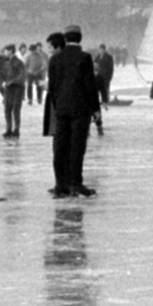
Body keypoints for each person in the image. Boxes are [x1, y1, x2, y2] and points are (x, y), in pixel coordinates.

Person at [43, 26, 100, 198]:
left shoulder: (55, 59)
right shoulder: (85, 57)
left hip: (61, 109)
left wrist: (58, 105)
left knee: (60, 147)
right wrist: (95, 109)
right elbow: (90, 86)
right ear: (80, 38)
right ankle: (75, 183)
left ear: (66, 39)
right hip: (80, 109)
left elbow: (52, 87)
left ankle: (60, 184)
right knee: (77, 147)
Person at [0, 43, 26, 137]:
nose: (4, 53)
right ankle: (8, 129)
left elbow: (22, 76)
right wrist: (2, 86)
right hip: (8, 90)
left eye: (5, 51)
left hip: (17, 89)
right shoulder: (4, 63)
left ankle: (16, 129)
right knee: (7, 110)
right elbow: (1, 77)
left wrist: (11, 82)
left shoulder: (19, 63)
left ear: (10, 51)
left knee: (16, 110)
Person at [24, 40, 48, 107]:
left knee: (39, 86)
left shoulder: (40, 56)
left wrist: (38, 71)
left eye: (32, 50)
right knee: (29, 86)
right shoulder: (29, 56)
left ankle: (39, 98)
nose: (32, 51)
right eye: (31, 50)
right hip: (30, 73)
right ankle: (30, 99)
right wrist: (27, 72)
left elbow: (44, 65)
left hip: (38, 73)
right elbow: (26, 65)